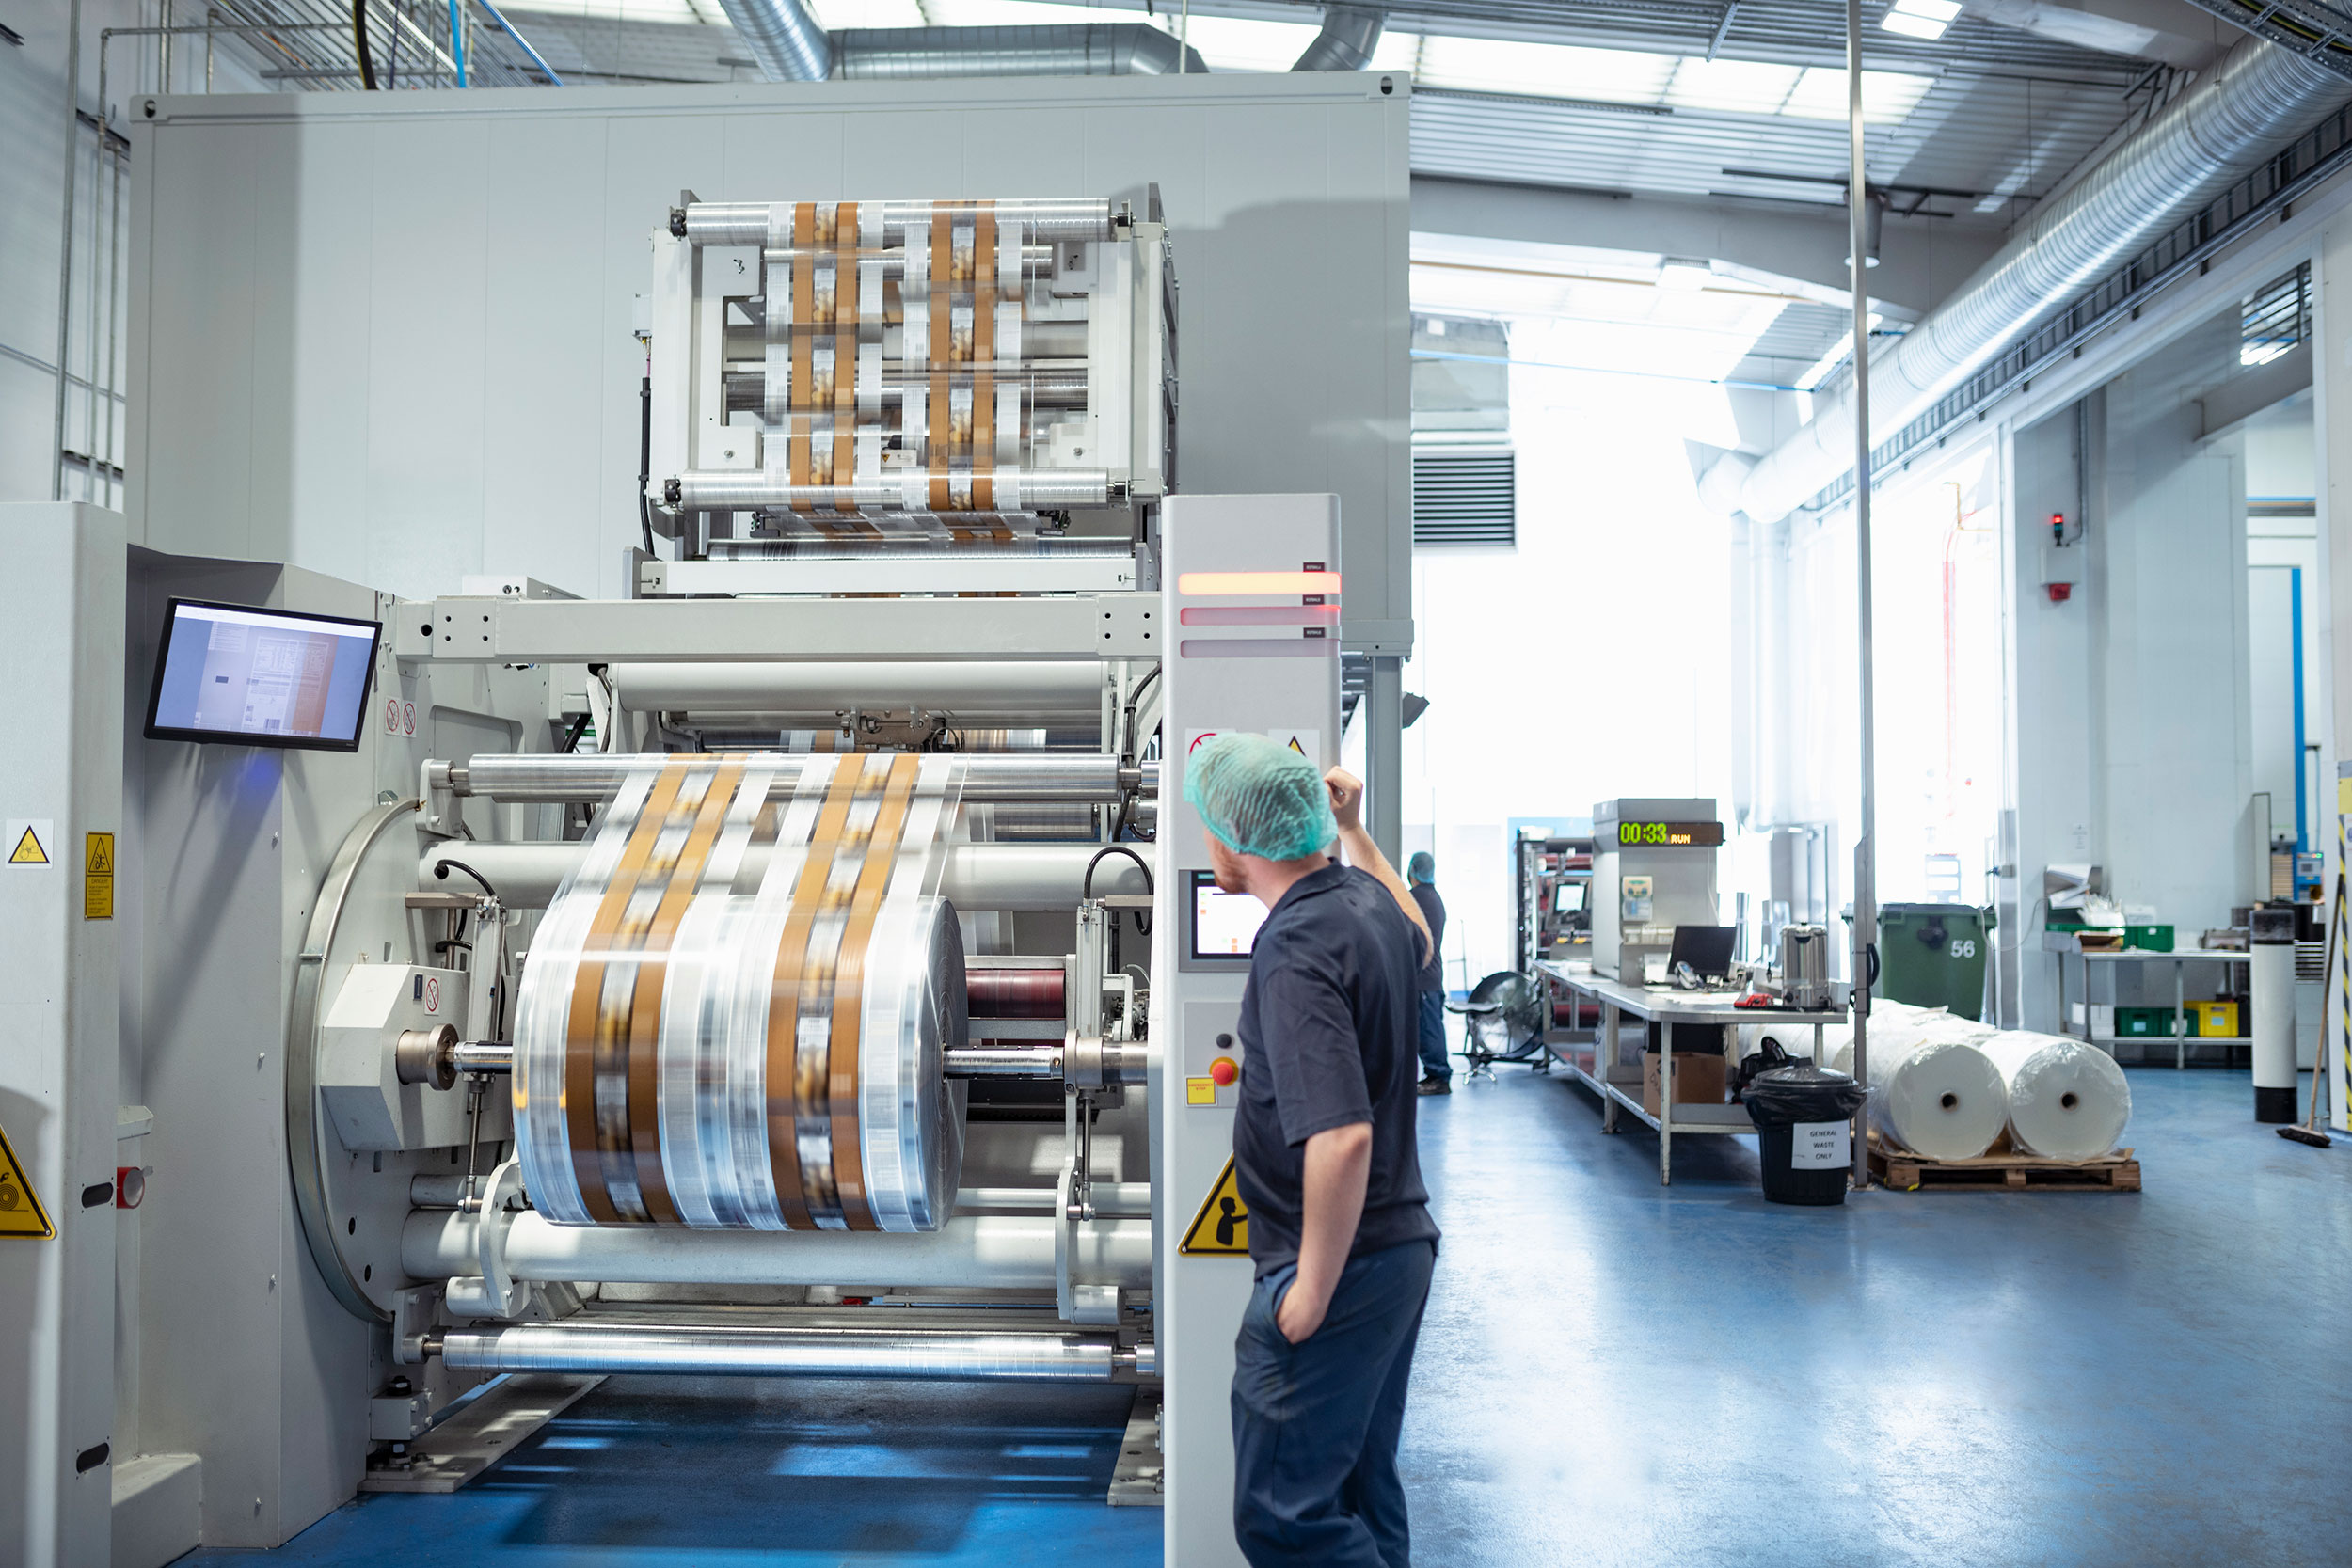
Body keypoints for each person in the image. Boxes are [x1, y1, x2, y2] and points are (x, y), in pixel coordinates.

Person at [1184, 733, 1442, 1568]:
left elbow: (1340, 1135)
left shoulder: (1293, 947)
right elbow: (1422, 940)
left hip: (1338, 1267)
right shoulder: (1363, 905)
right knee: (1362, 1488)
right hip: (1397, 1251)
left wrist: (1310, 1292)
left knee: (1282, 1514)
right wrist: (1358, 832)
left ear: (1233, 838)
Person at [1405, 851, 1450, 1095]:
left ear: (1412, 870)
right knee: (1429, 1027)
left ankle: (1439, 1077)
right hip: (1431, 977)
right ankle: (1435, 1074)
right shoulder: (1434, 897)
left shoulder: (1415, 899)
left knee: (1429, 1030)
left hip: (1424, 978)